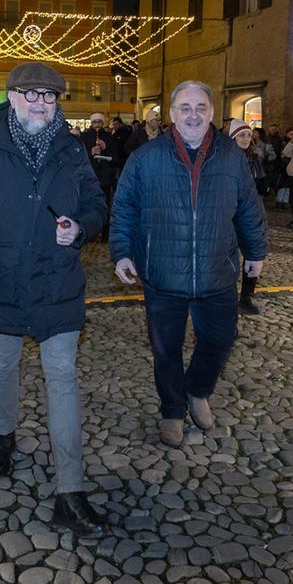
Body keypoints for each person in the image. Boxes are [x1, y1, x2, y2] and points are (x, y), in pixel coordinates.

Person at [0, 62, 112, 538]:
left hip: (57, 284)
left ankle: (70, 491)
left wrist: (80, 227)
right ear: (11, 98)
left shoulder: (70, 149)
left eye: (50, 96)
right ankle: (3, 432)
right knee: (3, 364)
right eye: (31, 94)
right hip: (0, 284)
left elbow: (96, 203)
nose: (41, 103)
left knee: (62, 377)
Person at [111, 81, 268, 448]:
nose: (193, 114)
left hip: (217, 271)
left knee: (220, 339)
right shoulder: (145, 158)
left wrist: (256, 252)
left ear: (212, 113)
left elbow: (248, 207)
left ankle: (198, 390)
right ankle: (172, 410)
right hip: (163, 273)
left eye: (200, 107)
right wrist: (120, 250)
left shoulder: (231, 157)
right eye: (185, 108)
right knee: (166, 349)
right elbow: (124, 208)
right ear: (172, 114)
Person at [228, 120, 266, 316]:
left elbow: (259, 182)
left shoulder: (253, 157)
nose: (245, 139)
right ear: (232, 137)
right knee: (229, 253)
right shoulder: (225, 158)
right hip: (231, 211)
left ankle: (246, 296)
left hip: (252, 209)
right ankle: (227, 295)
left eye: (248, 135)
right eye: (241, 135)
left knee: (253, 252)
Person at [80, 112, 118, 236]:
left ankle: (105, 234)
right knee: (89, 206)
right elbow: (79, 157)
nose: (97, 125)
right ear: (91, 123)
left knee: (106, 206)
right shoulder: (85, 137)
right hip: (90, 176)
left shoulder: (109, 137)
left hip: (105, 177)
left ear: (103, 123)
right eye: (95, 122)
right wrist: (90, 153)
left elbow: (117, 158)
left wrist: (106, 148)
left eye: (99, 122)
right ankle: (90, 232)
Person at [277, 128, 293, 215]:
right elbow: (285, 153)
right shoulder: (285, 142)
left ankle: (285, 202)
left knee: (289, 187)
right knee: (283, 185)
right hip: (285, 167)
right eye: (290, 134)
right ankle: (280, 201)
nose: (292, 136)